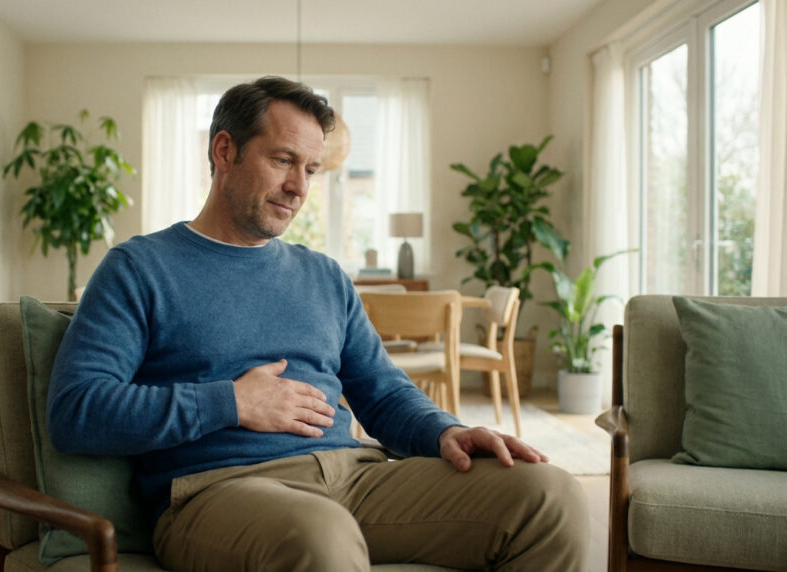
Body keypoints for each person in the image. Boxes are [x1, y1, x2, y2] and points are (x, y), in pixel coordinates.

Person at [49, 76, 589, 571]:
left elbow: (382, 391)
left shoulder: (324, 276)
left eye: (310, 170)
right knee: (320, 535)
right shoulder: (139, 268)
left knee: (549, 495)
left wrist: (445, 429)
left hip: (355, 476)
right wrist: (233, 401)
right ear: (224, 150)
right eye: (283, 160)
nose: (299, 188)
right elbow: (77, 410)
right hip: (219, 492)